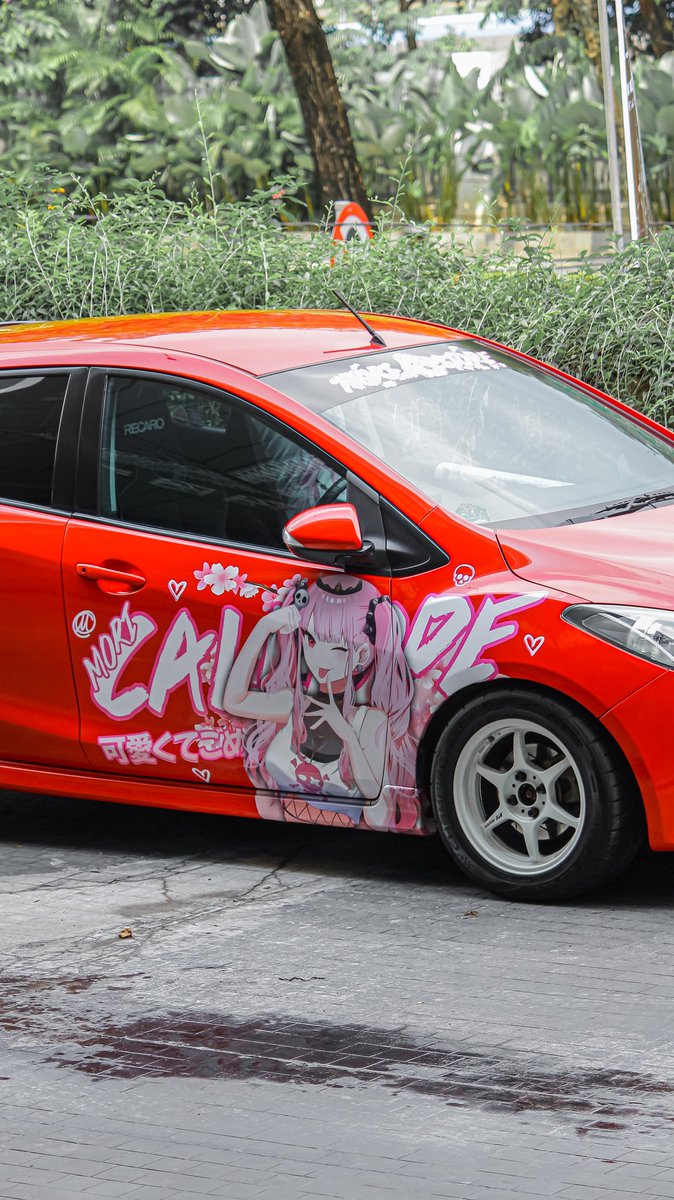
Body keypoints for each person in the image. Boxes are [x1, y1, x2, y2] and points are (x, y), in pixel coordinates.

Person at [223, 574, 420, 829]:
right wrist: (264, 627)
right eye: (311, 640)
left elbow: (379, 813)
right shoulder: (295, 704)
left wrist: (348, 736)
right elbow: (234, 701)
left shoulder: (369, 721)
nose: (318, 656)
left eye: (337, 647)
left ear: (362, 655)